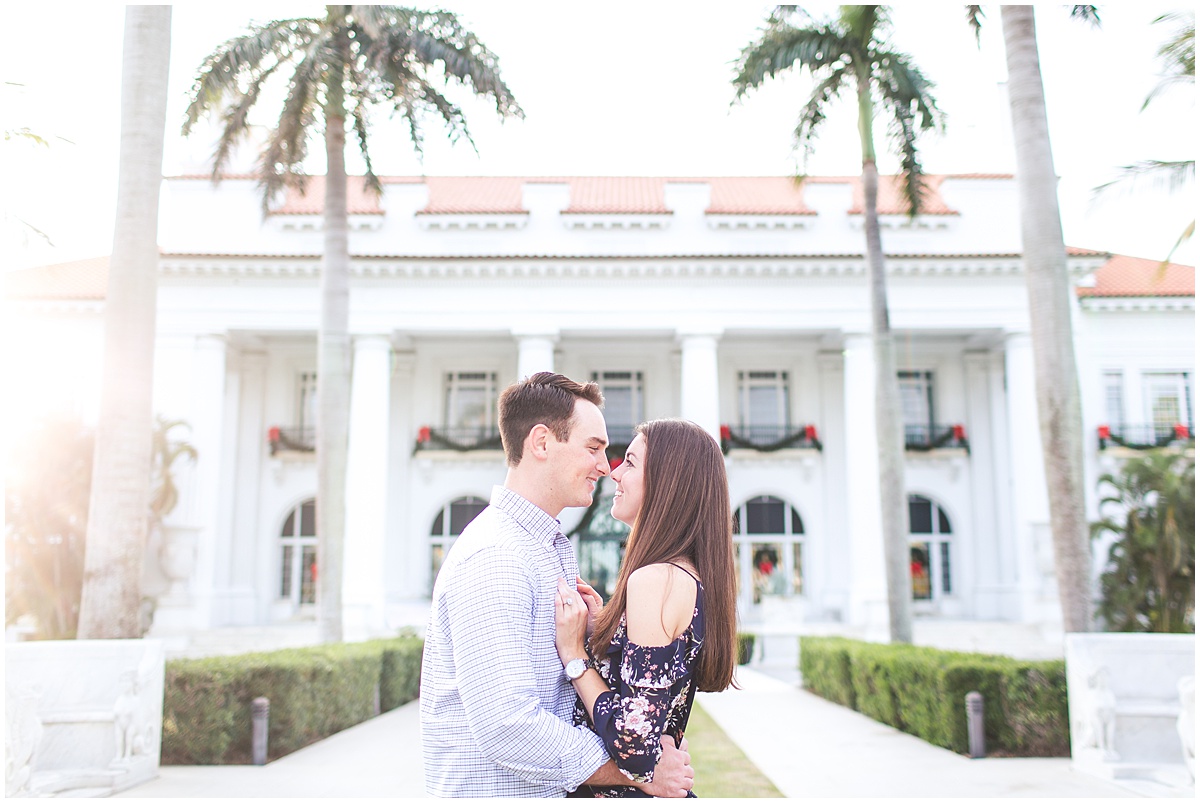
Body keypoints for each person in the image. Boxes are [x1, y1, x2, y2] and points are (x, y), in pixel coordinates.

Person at [420, 372, 695, 798]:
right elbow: (507, 725)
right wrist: (635, 771)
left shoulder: (542, 546)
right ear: (542, 443)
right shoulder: (496, 557)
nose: (606, 468)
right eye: (594, 448)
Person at [554, 418, 738, 798]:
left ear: (667, 483)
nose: (614, 473)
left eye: (632, 463)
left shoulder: (657, 580)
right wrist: (608, 627)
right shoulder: (685, 574)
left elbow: (634, 748)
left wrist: (576, 657)